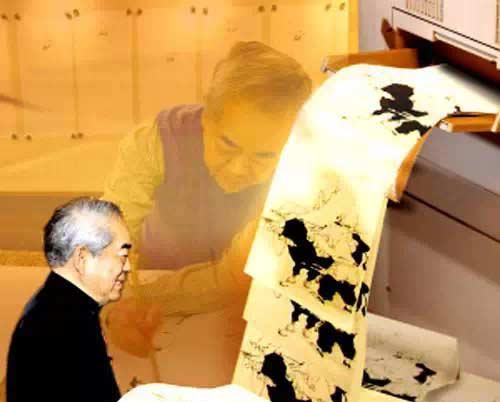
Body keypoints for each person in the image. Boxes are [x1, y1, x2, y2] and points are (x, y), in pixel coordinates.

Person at [101, 41, 312, 386]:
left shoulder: (301, 170)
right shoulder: (151, 142)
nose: (240, 168)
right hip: (157, 283)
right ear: (206, 119)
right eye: (228, 144)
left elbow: (232, 279)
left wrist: (137, 299)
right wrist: (113, 307)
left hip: (233, 300)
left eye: (264, 156)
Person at [6, 197, 132, 402]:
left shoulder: (60, 307)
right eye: (122, 255)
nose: (127, 267)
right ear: (82, 258)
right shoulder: (63, 322)